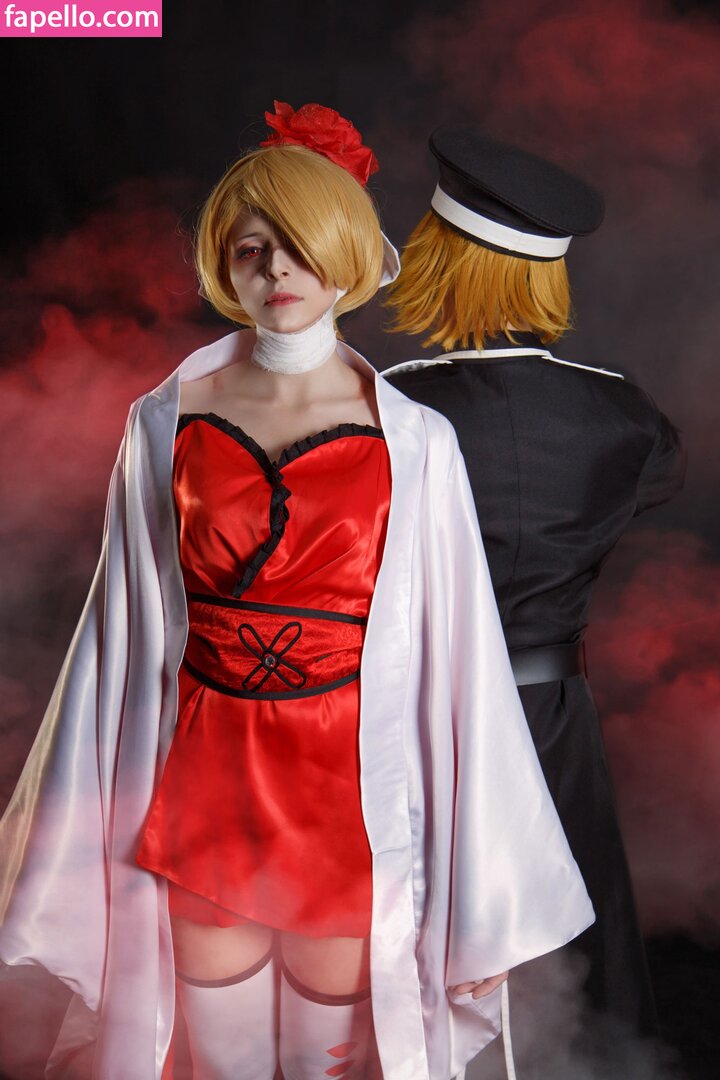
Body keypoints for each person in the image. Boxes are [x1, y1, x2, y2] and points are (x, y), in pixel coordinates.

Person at [0, 105, 594, 1080]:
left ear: (345, 255)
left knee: (329, 1059)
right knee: (219, 1059)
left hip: (349, 791)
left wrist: (480, 899)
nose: (276, 270)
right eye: (251, 249)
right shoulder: (160, 422)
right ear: (223, 267)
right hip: (205, 780)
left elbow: (463, 668)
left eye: (300, 247)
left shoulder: (417, 443)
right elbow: (119, 632)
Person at [385, 126, 685, 1044]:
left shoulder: (390, 405)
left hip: (416, 718)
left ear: (442, 263)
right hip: (554, 716)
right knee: (577, 965)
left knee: (418, 957)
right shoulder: (623, 411)